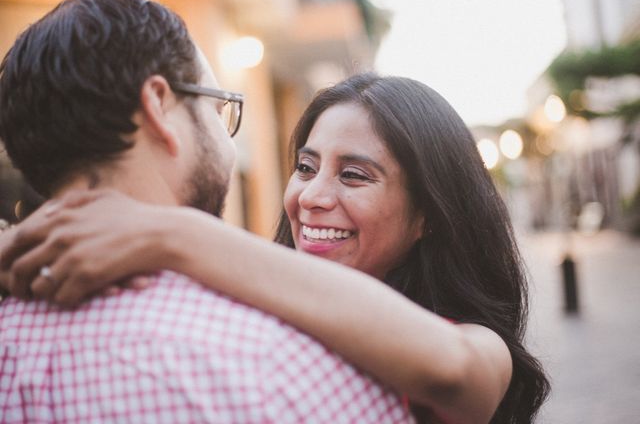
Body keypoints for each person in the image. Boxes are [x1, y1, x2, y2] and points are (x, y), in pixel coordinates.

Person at [1, 73, 550, 422]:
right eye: (305, 167)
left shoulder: (476, 342)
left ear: (427, 215)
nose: (311, 196)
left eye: (354, 175)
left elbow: (454, 372)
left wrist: (173, 231)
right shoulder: (254, 309)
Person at [0, 0, 415, 423]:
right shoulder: (292, 365)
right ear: (159, 104)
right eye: (218, 108)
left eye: (353, 174)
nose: (311, 196)